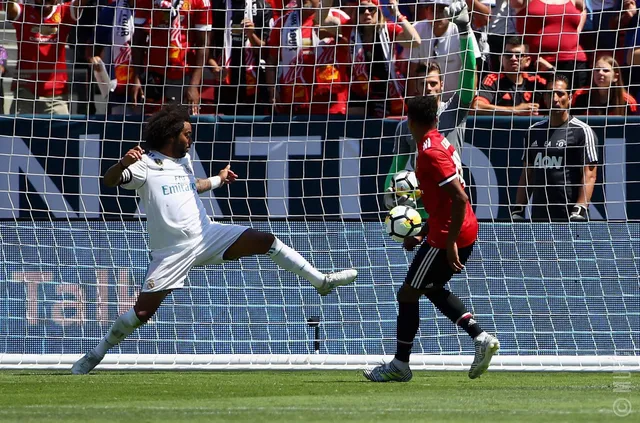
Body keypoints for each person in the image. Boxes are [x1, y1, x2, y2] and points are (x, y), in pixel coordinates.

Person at [71, 105, 358, 375]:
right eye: (187, 134)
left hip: (207, 235)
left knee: (265, 240)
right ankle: (96, 354)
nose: (190, 139)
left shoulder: (183, 161)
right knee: (142, 312)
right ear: (171, 136)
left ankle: (321, 281)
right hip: (172, 253)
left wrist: (219, 179)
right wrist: (122, 163)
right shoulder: (145, 166)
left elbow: (193, 187)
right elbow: (109, 180)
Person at [364, 94, 500, 382]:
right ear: (436, 119)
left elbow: (460, 197)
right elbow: (444, 202)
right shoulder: (439, 141)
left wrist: (448, 243)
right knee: (431, 286)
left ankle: (400, 365)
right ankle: (480, 337)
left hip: (449, 235)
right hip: (453, 228)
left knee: (408, 293)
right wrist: (422, 231)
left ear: (409, 120)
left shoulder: (429, 153)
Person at [384, 0, 475, 218]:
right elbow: (395, 167)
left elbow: (470, 72)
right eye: (424, 83)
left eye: (433, 83)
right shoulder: (407, 126)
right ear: (416, 86)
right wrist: (388, 188)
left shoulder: (455, 109)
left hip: (452, 207)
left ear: (442, 85)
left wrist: (463, 31)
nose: (428, 88)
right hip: (417, 213)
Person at [512, 74, 599, 222]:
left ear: (570, 98)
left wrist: (580, 208)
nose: (555, 99)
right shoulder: (533, 131)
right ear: (545, 99)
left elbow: (590, 174)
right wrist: (519, 208)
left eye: (560, 93)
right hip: (539, 216)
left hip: (570, 216)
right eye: (551, 94)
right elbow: (528, 174)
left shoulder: (582, 131)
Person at [265, 0, 351, 116]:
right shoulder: (282, 23)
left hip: (331, 103)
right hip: (295, 104)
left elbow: (354, 51)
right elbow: (271, 61)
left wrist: (334, 36)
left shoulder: (340, 17)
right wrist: (272, 91)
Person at [6, 0, 91, 115]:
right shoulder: (23, 11)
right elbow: (10, 7)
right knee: (16, 131)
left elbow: (81, 3)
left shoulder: (64, 12)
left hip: (56, 95)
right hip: (25, 93)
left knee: (61, 131)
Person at [130, 0, 212, 115]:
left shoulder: (200, 1)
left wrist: (194, 85)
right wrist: (137, 77)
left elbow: (203, 44)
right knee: (152, 125)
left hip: (183, 75)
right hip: (153, 74)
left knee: (179, 125)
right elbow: (138, 41)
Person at [347, 0, 421, 118]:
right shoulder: (350, 30)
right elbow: (324, 21)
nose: (366, 13)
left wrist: (398, 14)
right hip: (360, 89)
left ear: (379, 11)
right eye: (362, 10)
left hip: (387, 88)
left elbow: (415, 41)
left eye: (371, 9)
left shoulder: (388, 28)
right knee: (355, 126)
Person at [407, 0, 481, 101]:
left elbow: (472, 67)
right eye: (433, 9)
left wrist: (467, 102)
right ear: (426, 11)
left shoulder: (461, 28)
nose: (437, 14)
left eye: (442, 9)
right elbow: (412, 71)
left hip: (456, 99)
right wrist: (411, 102)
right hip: (427, 98)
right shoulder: (416, 29)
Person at [210, 0, 273, 115]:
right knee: (226, 129)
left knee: (253, 129)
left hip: (254, 85)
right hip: (226, 83)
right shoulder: (218, 6)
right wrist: (213, 66)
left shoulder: (263, 7)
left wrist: (251, 35)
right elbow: (206, 47)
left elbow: (267, 53)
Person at [512, 0, 589, 89]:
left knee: (573, 100)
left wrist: (578, 30)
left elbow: (583, 9)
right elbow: (516, 3)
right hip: (538, 63)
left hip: (573, 61)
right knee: (537, 100)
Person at [471, 36, 546, 115]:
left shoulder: (535, 80)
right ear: (501, 59)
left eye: (518, 55)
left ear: (527, 61)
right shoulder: (492, 79)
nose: (513, 58)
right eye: (508, 55)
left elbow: (558, 91)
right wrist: (515, 110)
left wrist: (551, 69)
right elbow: (477, 106)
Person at [571, 55, 638, 116]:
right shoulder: (580, 95)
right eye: (597, 70)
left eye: (605, 70)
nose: (600, 73)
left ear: (615, 77)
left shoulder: (628, 102)